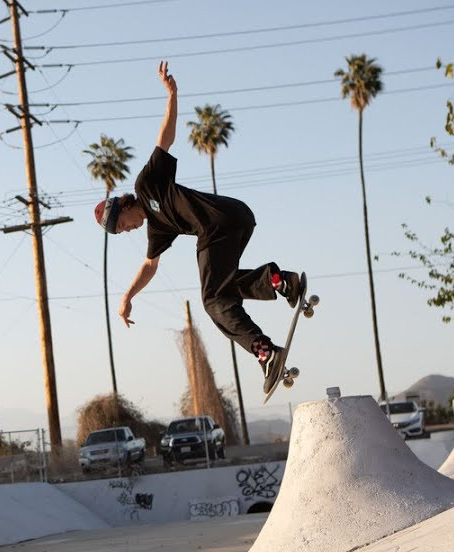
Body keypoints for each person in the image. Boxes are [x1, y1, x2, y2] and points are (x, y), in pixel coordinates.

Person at [95, 61, 305, 393]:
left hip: (217, 225)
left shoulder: (146, 184)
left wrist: (172, 95)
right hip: (237, 218)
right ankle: (280, 281)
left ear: (125, 206)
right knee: (224, 287)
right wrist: (128, 296)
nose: (130, 230)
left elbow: (165, 136)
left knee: (212, 301)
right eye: (123, 232)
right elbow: (150, 266)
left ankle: (265, 352)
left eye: (124, 224)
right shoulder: (157, 230)